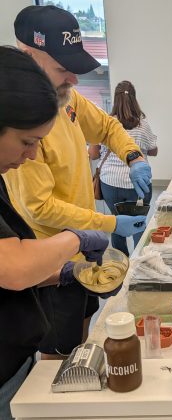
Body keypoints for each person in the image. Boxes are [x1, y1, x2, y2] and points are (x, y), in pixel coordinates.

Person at [4, 5, 152, 360]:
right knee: (57, 356)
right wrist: (104, 224)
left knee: (83, 335)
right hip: (49, 264)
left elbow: (108, 127)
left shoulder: (67, 101)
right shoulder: (19, 127)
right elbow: (38, 209)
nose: (73, 79)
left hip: (75, 258)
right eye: (62, 69)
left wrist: (134, 157)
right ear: (28, 58)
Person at [0, 46, 112, 419]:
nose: (31, 155)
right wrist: (77, 239)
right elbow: (13, 266)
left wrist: (65, 271)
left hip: (16, 358)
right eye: (27, 142)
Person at [89, 81, 158, 255]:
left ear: (115, 99)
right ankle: (139, 263)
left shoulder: (106, 123)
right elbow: (153, 150)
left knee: (115, 222)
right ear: (134, 98)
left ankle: (122, 263)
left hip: (110, 183)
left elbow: (93, 154)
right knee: (138, 222)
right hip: (138, 184)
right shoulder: (143, 125)